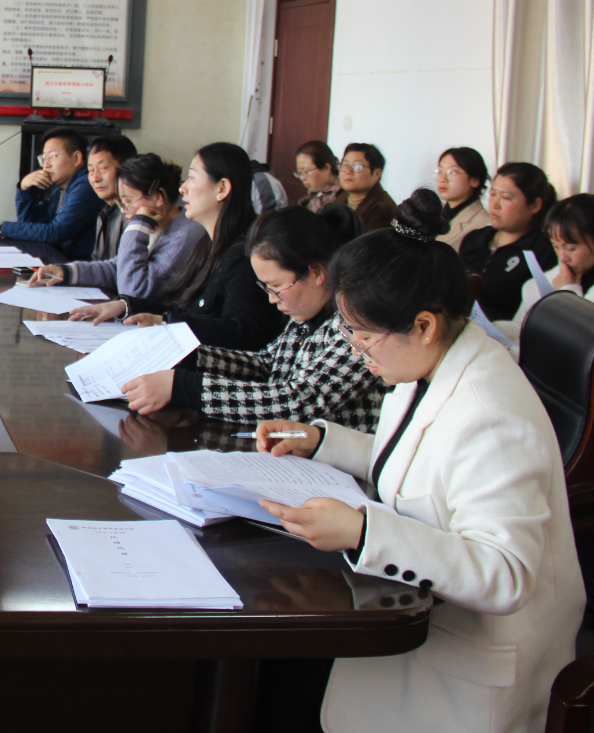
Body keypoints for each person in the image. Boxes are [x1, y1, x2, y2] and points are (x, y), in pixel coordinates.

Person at [249, 190, 582, 733]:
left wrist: (363, 532)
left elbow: (504, 573)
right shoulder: (429, 361)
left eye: (362, 337)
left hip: (470, 666)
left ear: (423, 324)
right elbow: (417, 462)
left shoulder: (492, 418)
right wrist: (321, 441)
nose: (357, 352)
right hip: (414, 620)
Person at [116, 205, 388, 436]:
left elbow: (298, 401)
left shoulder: (357, 326)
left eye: (276, 286)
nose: (271, 299)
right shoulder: (306, 316)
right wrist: (187, 356)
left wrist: (186, 387)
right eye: (266, 288)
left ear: (316, 273)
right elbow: (265, 364)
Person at [69, 142, 285, 351]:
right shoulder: (208, 243)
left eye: (192, 178)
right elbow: (188, 310)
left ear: (222, 188)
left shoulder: (244, 253)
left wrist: (166, 323)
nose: (183, 188)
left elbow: (242, 332)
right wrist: (126, 307)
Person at [29, 154, 208, 303]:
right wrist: (66, 272)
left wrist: (137, 226)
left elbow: (134, 292)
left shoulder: (185, 236)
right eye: (120, 202)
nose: (122, 210)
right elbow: (120, 268)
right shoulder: (157, 225)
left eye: (127, 201)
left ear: (157, 197)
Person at [0, 127, 104, 260]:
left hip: (81, 267)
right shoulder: (59, 189)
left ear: (77, 158)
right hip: (61, 262)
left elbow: (55, 233)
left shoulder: (86, 185)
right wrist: (24, 189)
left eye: (52, 156)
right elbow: (30, 224)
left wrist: (2, 229)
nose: (46, 165)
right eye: (43, 158)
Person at [457, 161, 558, 322]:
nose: (495, 204)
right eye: (493, 194)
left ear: (535, 205)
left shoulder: (545, 251)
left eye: (506, 197)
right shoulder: (474, 239)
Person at [497, 193, 594, 338]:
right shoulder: (545, 281)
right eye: (556, 247)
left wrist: (568, 292)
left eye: (571, 248)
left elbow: (581, 338)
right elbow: (522, 327)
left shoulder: (566, 283)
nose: (563, 257)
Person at [83, 134, 138, 262]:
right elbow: (97, 263)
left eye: (103, 168)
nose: (95, 178)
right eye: (91, 170)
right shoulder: (104, 213)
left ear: (127, 168)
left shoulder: (133, 215)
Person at [433, 146, 491, 249]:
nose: (442, 179)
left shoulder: (484, 225)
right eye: (440, 172)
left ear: (475, 180)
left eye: (452, 172)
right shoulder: (432, 215)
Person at [333, 142, 396, 232]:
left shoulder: (383, 211)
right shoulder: (342, 197)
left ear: (376, 174)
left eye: (357, 167)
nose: (348, 171)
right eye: (345, 165)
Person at [294, 140, 340, 214]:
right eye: (300, 173)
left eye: (306, 172)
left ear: (326, 168)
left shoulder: (341, 196)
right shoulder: (314, 192)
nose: (302, 178)